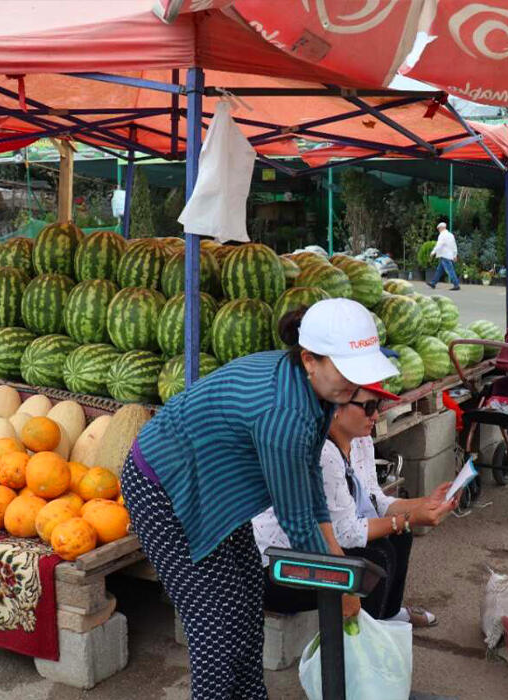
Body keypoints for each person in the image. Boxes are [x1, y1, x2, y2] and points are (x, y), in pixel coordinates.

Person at [122, 298, 399, 700]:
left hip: (216, 491)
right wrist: (337, 587)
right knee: (217, 633)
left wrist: (336, 560)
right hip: (164, 491)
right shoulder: (284, 414)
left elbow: (308, 478)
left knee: (247, 604)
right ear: (309, 359)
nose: (356, 383)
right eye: (347, 370)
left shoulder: (321, 391)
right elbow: (297, 520)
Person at [253, 384, 456, 627]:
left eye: (378, 405)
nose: (376, 415)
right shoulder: (323, 453)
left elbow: (374, 500)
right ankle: (365, 635)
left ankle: (387, 615)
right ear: (335, 409)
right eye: (368, 407)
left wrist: (425, 504)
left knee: (399, 536)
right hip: (277, 566)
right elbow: (347, 533)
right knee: (374, 562)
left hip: (319, 545)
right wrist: (408, 518)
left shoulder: (361, 441)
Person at [427, 221, 460, 290]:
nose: (438, 230)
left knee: (450, 270)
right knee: (439, 270)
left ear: (441, 228)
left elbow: (439, 244)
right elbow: (454, 245)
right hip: (449, 255)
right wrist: (455, 255)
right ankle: (433, 283)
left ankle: (456, 285)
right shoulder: (450, 235)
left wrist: (433, 252)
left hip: (444, 255)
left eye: (439, 229)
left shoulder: (442, 235)